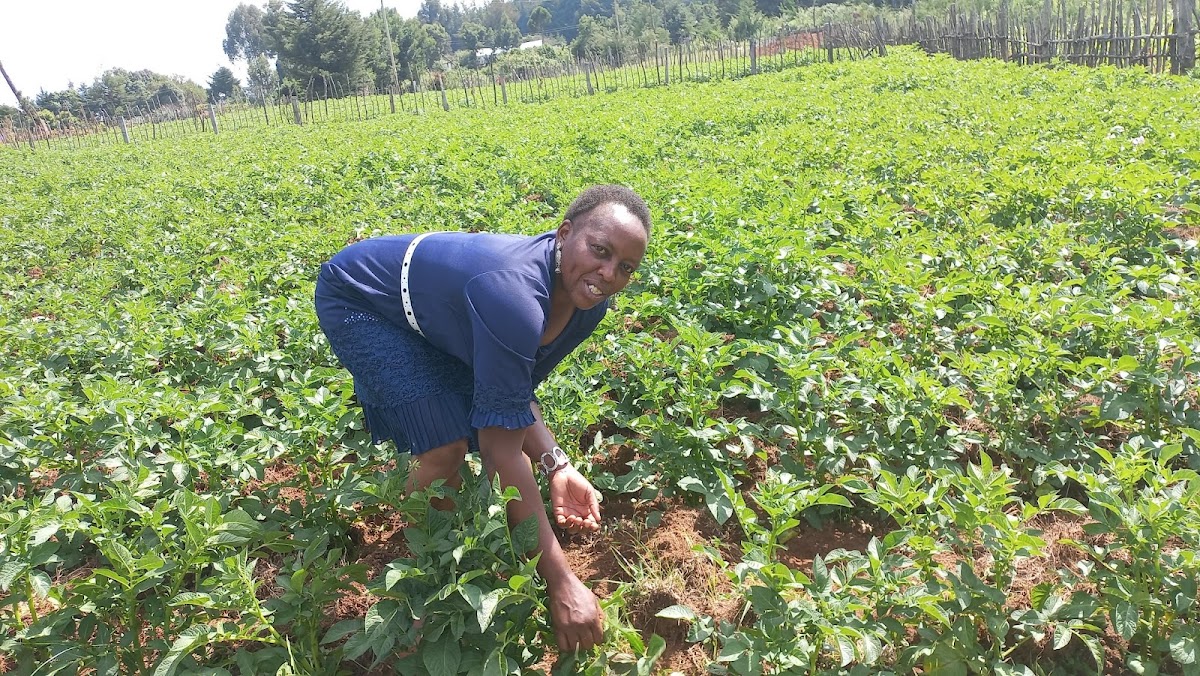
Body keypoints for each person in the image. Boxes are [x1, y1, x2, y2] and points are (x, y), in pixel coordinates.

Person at [314, 185, 651, 654]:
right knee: (444, 447)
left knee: (466, 426)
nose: (609, 274)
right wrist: (560, 582)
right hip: (363, 299)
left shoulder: (585, 304)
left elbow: (510, 396)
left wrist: (559, 465)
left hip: (436, 312)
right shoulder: (514, 296)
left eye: (626, 268)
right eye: (600, 250)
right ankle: (426, 568)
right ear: (564, 232)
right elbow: (500, 450)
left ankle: (449, 540)